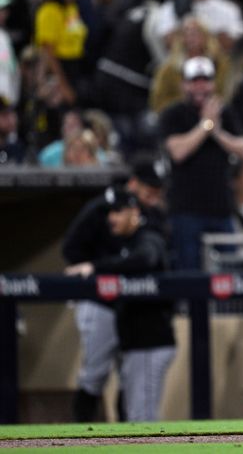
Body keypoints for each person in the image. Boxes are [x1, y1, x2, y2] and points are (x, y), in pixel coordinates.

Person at [61, 159, 167, 422]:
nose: (152, 198)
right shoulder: (102, 208)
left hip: (133, 311)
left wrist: (101, 266)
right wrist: (95, 269)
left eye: (156, 193)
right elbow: (70, 249)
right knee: (94, 374)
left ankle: (121, 440)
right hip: (100, 303)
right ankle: (81, 436)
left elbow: (147, 257)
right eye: (147, 192)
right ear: (133, 184)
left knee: (129, 381)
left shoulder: (149, 219)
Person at [159, 55, 243, 270]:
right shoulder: (173, 114)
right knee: (190, 275)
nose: (200, 86)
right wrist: (206, 125)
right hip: (186, 209)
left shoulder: (225, 112)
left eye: (205, 80)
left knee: (229, 274)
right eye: (194, 81)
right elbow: (178, 152)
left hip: (221, 207)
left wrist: (217, 132)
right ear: (184, 84)